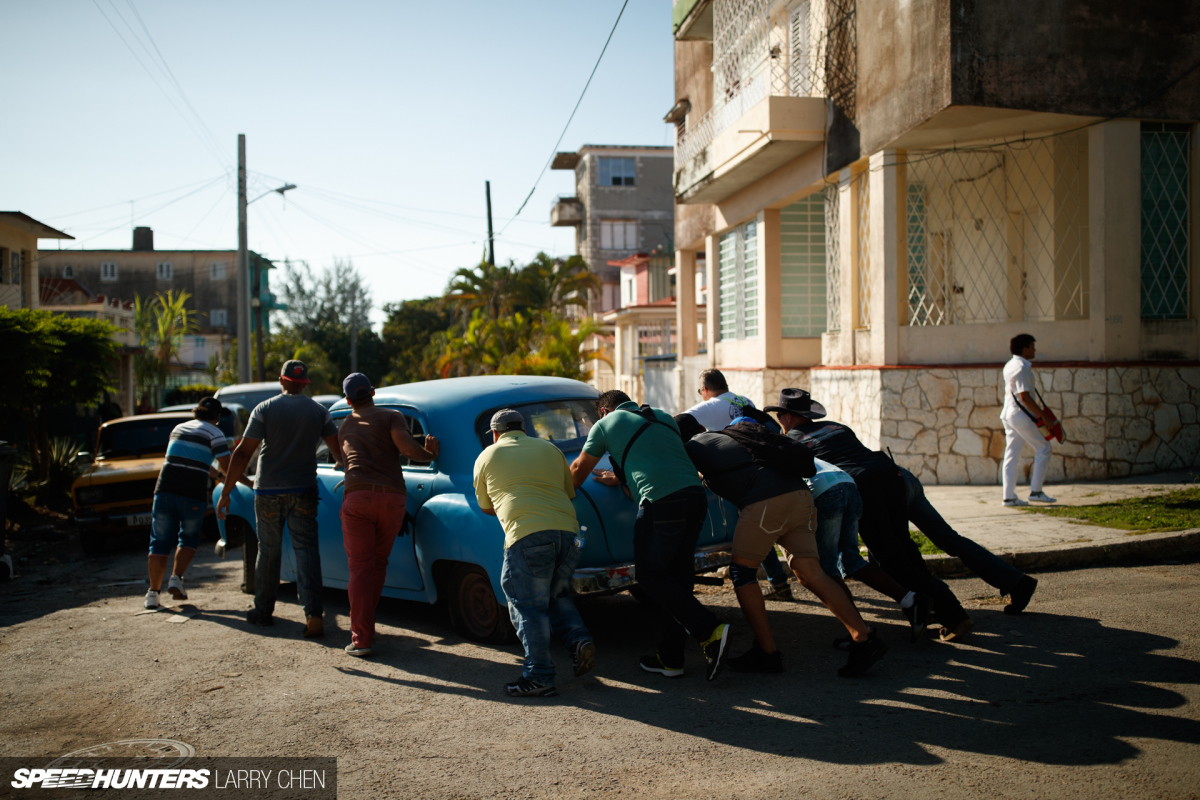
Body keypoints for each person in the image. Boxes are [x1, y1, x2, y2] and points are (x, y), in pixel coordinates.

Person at [675, 414, 887, 677]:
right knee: (810, 572)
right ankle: (863, 637)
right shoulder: (729, 436)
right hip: (800, 496)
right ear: (702, 426)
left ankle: (767, 653)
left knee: (742, 573)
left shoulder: (692, 446)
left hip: (766, 502)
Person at [769, 389, 976, 642]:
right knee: (903, 546)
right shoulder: (837, 427)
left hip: (861, 486)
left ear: (787, 417)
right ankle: (931, 610)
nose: (780, 420)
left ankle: (953, 615)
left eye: (780, 415)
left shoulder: (792, 441)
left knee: (890, 556)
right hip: (889, 476)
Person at [570, 390, 731, 681]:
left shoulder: (606, 424)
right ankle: (671, 659)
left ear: (603, 411)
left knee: (649, 575)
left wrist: (559, 493)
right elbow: (660, 459)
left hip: (661, 502)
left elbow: (580, 468)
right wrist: (623, 475)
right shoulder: (662, 417)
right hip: (695, 499)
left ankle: (710, 630)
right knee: (678, 581)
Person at [474, 409, 595, 698]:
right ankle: (579, 639)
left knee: (526, 605)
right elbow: (568, 493)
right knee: (557, 595)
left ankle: (539, 675)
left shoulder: (487, 456)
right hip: (569, 534)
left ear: (495, 433)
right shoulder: (550, 449)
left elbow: (486, 507)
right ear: (524, 428)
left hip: (527, 534)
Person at [217, 360, 341, 637]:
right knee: (307, 551)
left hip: (268, 492)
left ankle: (263, 612)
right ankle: (314, 614)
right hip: (304, 490)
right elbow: (338, 450)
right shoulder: (320, 412)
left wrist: (226, 493)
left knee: (268, 551)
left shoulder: (265, 409)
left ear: (282, 381)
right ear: (305, 383)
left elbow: (242, 453)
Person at [336, 373, 439, 657]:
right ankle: (367, 625)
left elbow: (343, 462)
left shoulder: (344, 425)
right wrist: (430, 454)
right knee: (378, 563)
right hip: (393, 498)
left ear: (348, 400)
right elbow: (408, 450)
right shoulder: (392, 416)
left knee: (359, 568)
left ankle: (362, 638)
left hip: (357, 498)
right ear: (372, 392)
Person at [682, 370, 792, 601]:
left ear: (704, 390)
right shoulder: (744, 400)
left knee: (749, 531)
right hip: (760, 471)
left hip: (736, 477)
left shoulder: (708, 406)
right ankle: (779, 582)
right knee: (760, 529)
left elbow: (678, 422)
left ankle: (769, 583)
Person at [800, 455, 932, 644]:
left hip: (825, 491)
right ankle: (911, 600)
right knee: (851, 560)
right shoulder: (788, 446)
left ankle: (860, 630)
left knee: (824, 571)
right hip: (848, 484)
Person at [145, 397, 248, 609]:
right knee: (188, 538)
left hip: (164, 490)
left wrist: (217, 475)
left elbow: (190, 459)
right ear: (217, 418)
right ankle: (176, 578)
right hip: (192, 493)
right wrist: (249, 483)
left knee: (159, 542)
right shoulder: (215, 433)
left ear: (196, 412)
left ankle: (152, 595)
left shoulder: (178, 428)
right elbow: (230, 467)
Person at [1002, 333, 1057, 507]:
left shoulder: (1010, 365)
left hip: (1009, 414)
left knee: (1011, 454)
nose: (1034, 350)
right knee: (1044, 448)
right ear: (1025, 349)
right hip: (1020, 415)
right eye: (1032, 347)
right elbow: (1025, 397)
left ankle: (1009, 497)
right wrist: (1043, 416)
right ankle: (1036, 492)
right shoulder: (1022, 367)